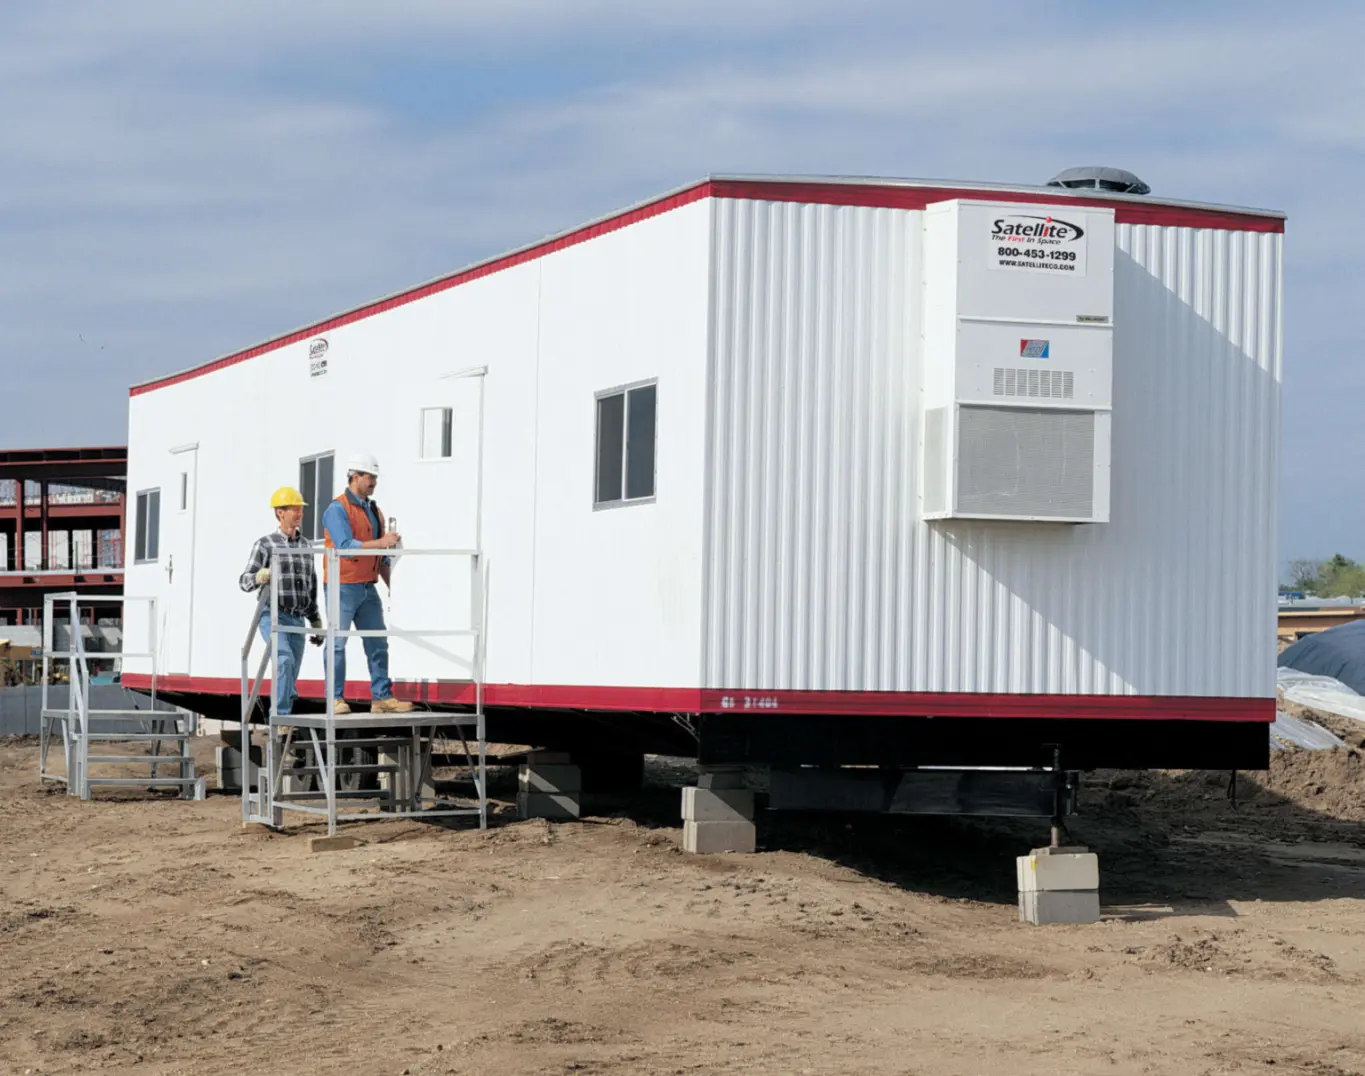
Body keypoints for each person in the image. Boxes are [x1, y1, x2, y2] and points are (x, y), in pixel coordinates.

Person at [321, 453, 416, 714]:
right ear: (355, 477)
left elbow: (380, 555)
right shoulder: (337, 509)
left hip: (367, 586)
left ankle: (381, 698)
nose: (373, 482)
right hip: (342, 585)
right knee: (337, 643)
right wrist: (382, 542)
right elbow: (345, 547)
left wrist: (393, 585)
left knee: (377, 641)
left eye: (375, 477)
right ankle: (335, 699)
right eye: (369, 477)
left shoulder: (374, 510)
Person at [239, 486, 323, 717]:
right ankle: (281, 715)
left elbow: (311, 584)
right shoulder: (266, 544)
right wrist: (259, 576)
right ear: (280, 513)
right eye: (293, 509)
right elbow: (244, 581)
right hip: (272, 614)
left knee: (291, 669)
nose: (299, 513)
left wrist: (315, 620)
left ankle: (285, 711)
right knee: (284, 660)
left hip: (297, 619)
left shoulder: (306, 545)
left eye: (300, 509)